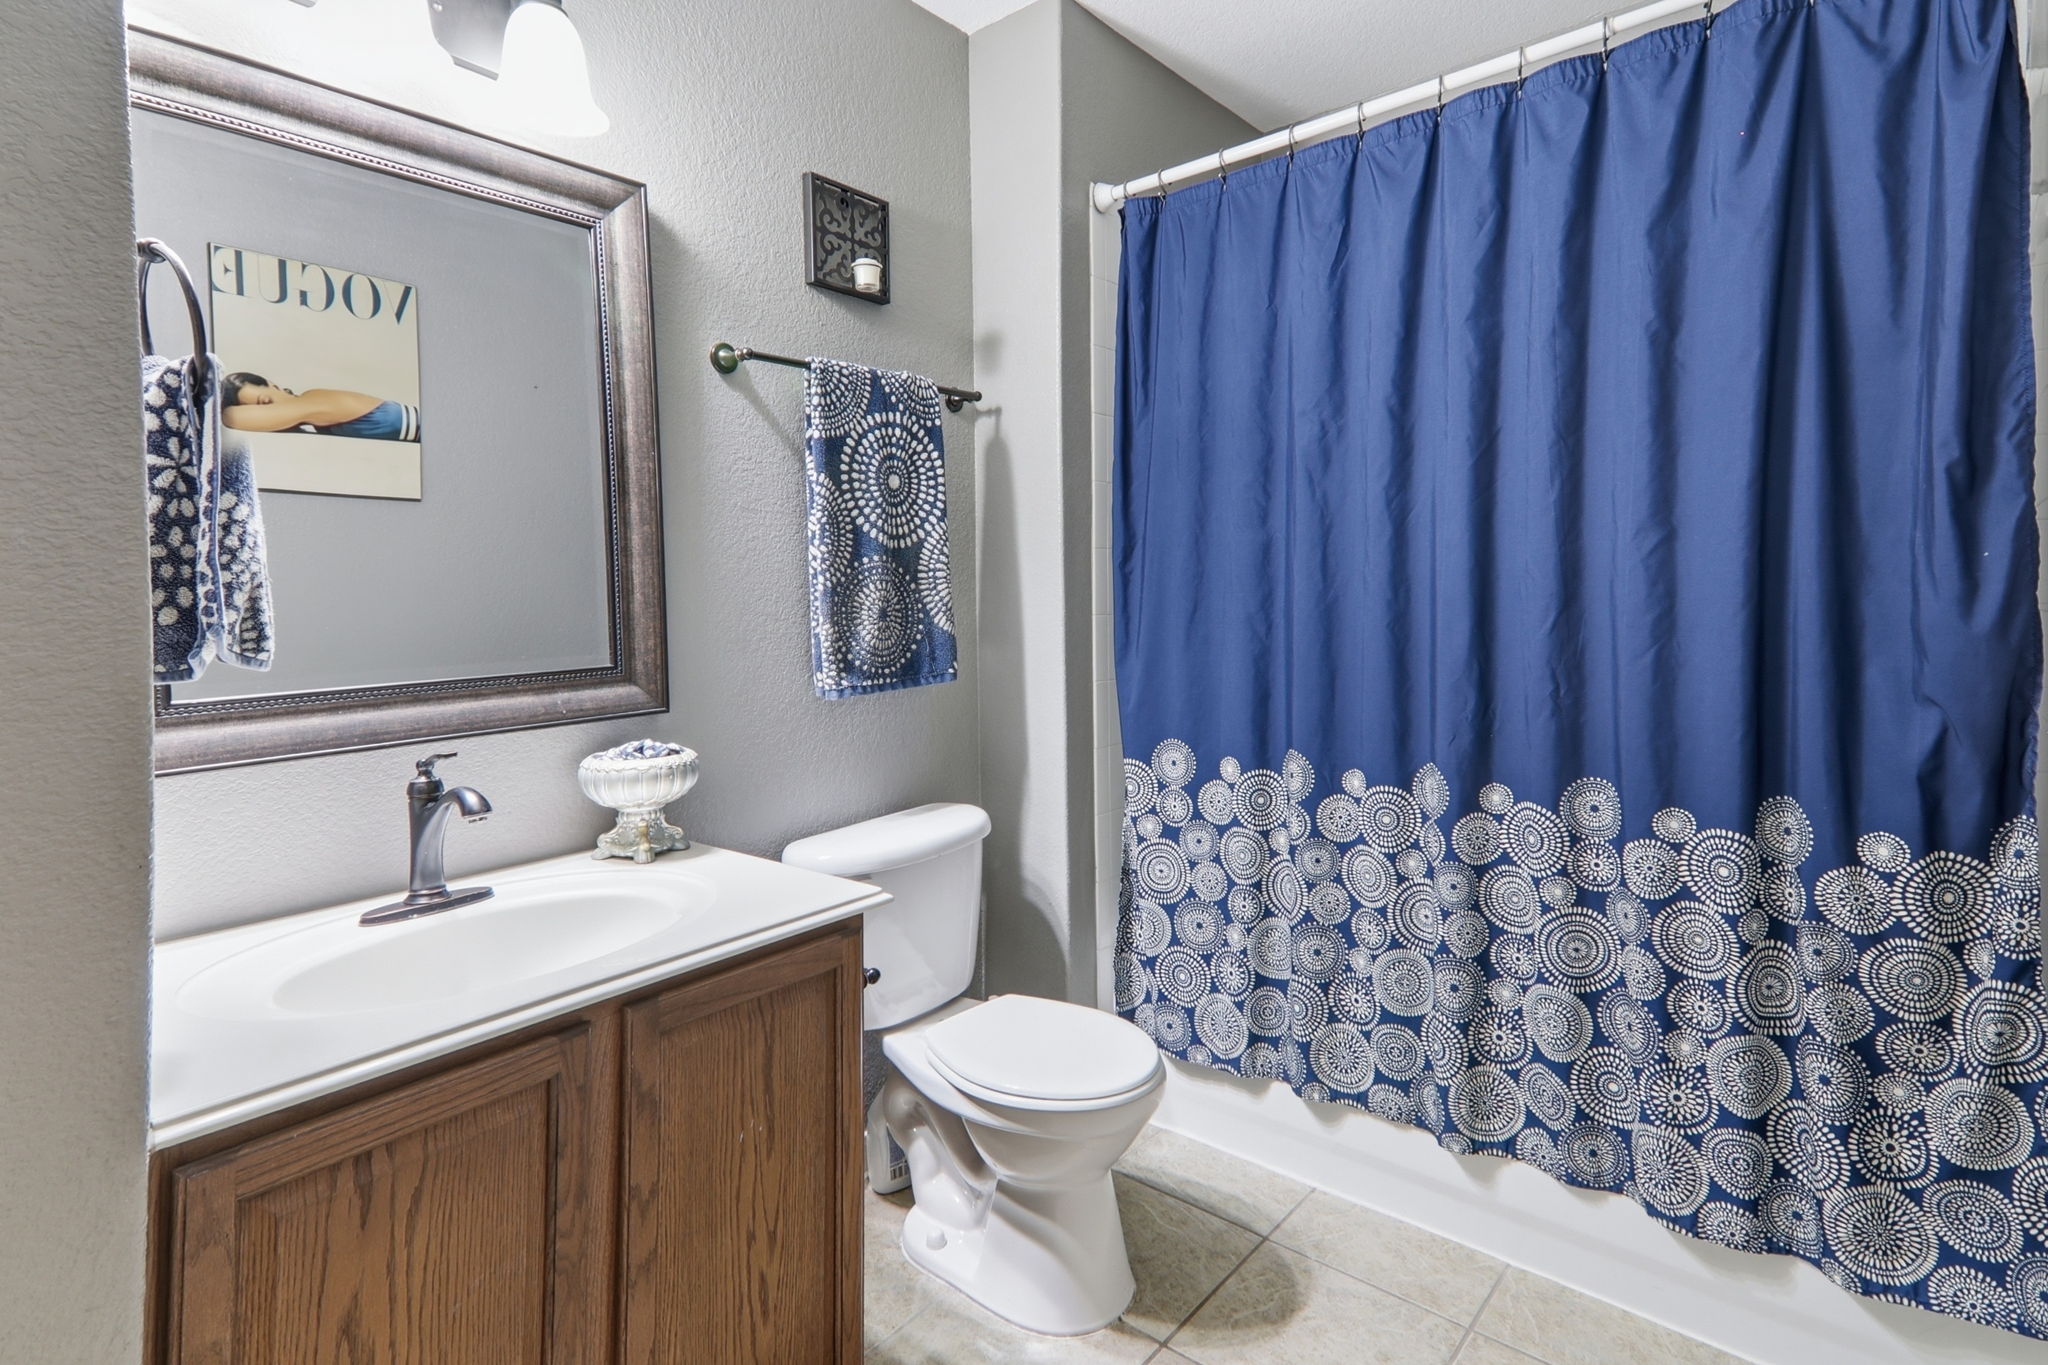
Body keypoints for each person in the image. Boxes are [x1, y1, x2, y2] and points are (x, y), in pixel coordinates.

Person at [220, 371, 420, 442]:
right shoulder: (310, 416)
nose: (269, 412)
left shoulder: (311, 401)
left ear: (274, 386)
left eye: (265, 402)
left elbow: (231, 417)